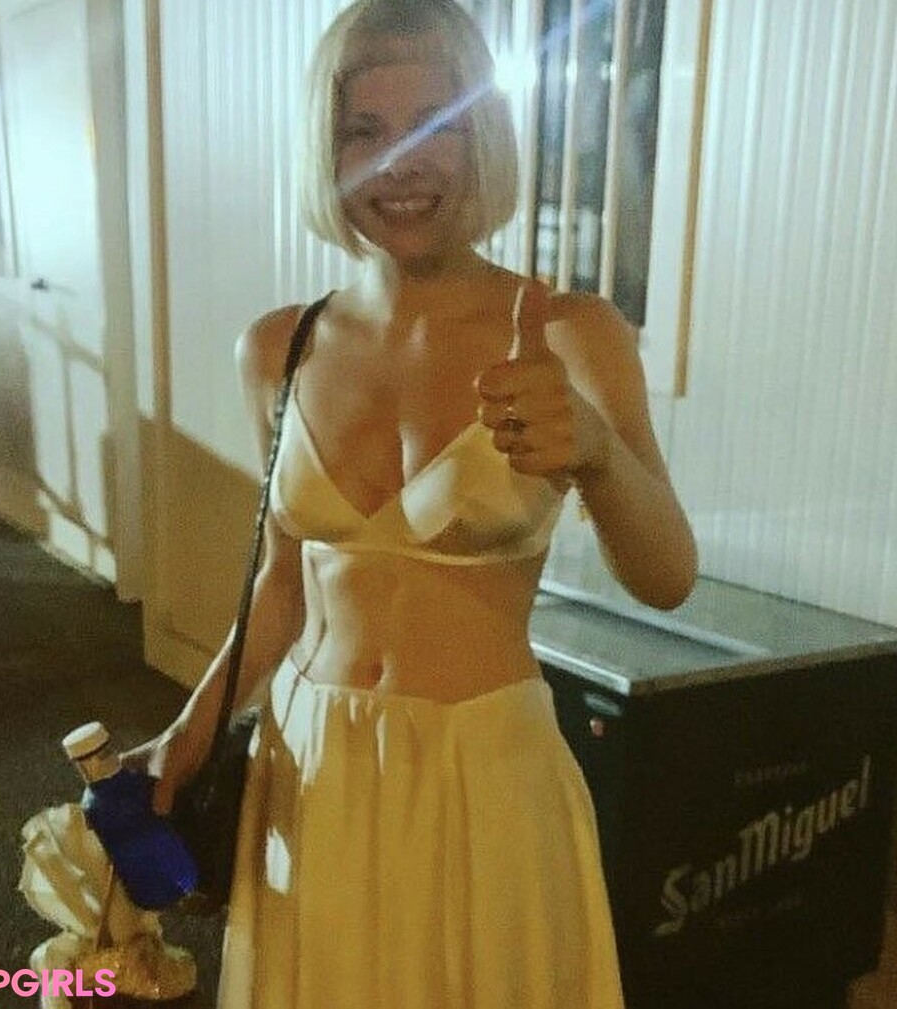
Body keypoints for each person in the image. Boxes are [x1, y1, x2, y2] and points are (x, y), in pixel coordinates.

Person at [128, 1, 697, 1005]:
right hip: (313, 771)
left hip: (486, 774)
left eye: (438, 124)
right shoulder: (279, 348)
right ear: (328, 149)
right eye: (366, 129)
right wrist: (188, 730)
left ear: (486, 139)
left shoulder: (573, 333)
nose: (402, 164)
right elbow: (282, 591)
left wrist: (599, 455)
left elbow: (668, 579)